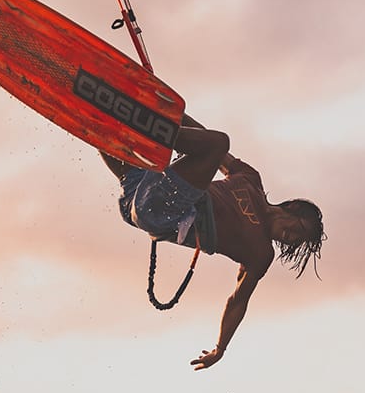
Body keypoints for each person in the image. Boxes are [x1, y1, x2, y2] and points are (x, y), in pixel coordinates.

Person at [99, 115, 326, 369]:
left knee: (219, 143)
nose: (290, 238)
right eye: (297, 230)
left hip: (164, 212)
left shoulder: (260, 253)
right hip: (139, 195)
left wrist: (220, 348)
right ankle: (99, 110)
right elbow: (205, 140)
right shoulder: (251, 179)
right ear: (292, 208)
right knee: (105, 131)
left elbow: (237, 301)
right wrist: (174, 114)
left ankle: (143, 119)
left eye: (296, 241)